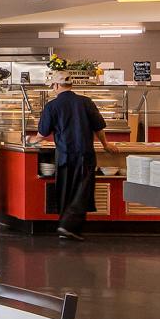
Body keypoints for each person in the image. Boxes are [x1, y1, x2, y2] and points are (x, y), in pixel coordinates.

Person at [38, 76, 116, 240]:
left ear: (58, 85)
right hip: (84, 153)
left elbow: (43, 133)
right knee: (83, 190)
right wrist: (105, 144)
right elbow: (99, 127)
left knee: (65, 190)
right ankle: (68, 226)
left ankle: (65, 226)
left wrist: (32, 140)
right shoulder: (86, 102)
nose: (53, 88)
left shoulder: (52, 105)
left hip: (64, 155)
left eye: (53, 85)